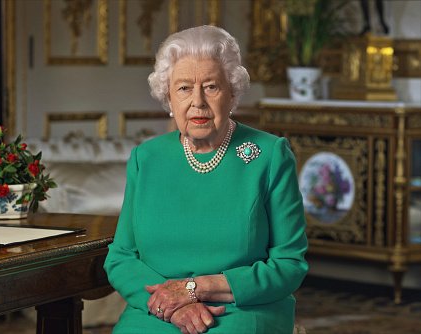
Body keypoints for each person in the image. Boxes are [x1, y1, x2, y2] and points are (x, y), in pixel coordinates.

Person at [103, 25, 309, 333]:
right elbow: (120, 258)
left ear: (232, 93)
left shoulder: (269, 155)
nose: (197, 102)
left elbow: (290, 264)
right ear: (168, 97)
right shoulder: (146, 159)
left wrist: (194, 289)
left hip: (241, 310)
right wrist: (174, 306)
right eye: (184, 88)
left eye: (211, 86)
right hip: (158, 312)